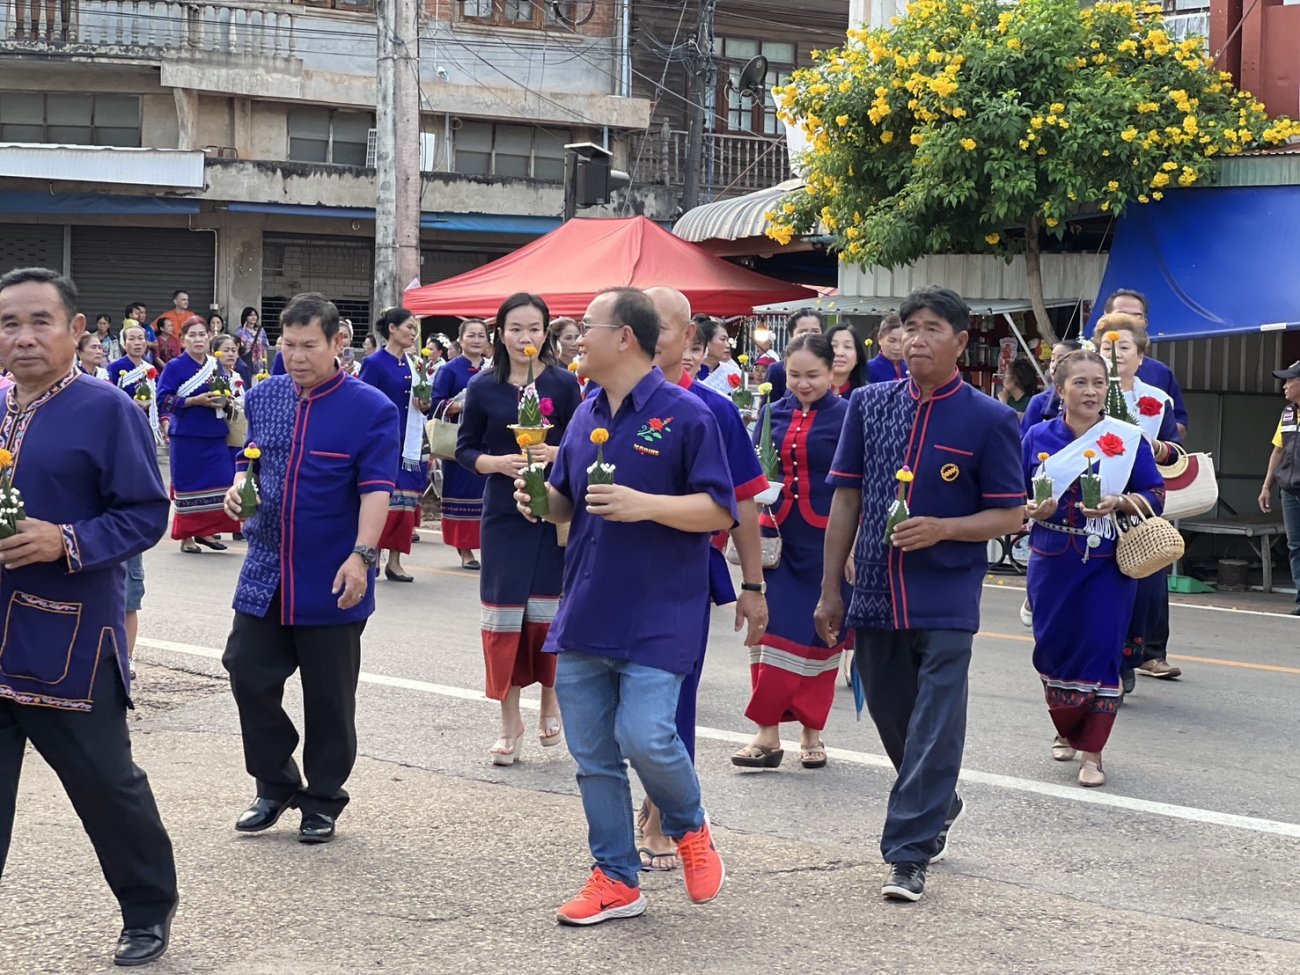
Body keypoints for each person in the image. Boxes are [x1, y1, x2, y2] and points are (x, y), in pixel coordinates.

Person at [515, 287, 733, 926]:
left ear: (625, 338)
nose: (577, 337)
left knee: (646, 737)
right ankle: (615, 878)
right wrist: (540, 501)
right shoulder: (585, 412)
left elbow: (719, 509)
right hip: (587, 605)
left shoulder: (688, 415)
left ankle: (689, 825)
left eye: (588, 326)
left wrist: (646, 506)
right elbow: (568, 501)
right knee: (593, 756)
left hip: (661, 609)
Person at [816, 285, 1025, 903]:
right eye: (910, 327)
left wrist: (944, 529)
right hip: (874, 589)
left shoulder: (991, 420)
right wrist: (830, 592)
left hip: (947, 595)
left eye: (932, 328)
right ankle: (938, 801)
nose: (917, 339)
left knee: (936, 722)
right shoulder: (868, 404)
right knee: (893, 717)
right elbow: (846, 499)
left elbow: (1010, 514)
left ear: (960, 341)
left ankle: (908, 853)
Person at [0, 267, 178, 967]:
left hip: (67, 638)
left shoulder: (108, 410)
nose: (23, 337)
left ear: (76, 329)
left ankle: (148, 908)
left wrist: (65, 540)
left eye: (39, 321)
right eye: (9, 323)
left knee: (106, 786)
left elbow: (146, 512)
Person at [221, 292, 399, 845]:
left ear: (337, 341)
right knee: (245, 670)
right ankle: (275, 784)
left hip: (332, 573)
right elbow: (250, 459)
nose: (296, 357)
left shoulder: (371, 409)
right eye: (288, 345)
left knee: (329, 698)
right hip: (266, 567)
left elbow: (376, 491)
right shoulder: (265, 395)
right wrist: (237, 488)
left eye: (308, 346)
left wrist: (362, 556)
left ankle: (322, 799)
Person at [638, 286, 768, 871]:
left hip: (684, 576)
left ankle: (664, 815)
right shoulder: (603, 398)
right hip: (612, 575)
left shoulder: (712, 409)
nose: (646, 339)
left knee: (673, 702)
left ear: (689, 337)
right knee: (613, 709)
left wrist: (754, 586)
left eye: (661, 328)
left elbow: (744, 502)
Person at [1022, 349, 1165, 787]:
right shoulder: (1036, 436)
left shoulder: (1127, 438)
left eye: (1099, 383)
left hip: (1107, 563)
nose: (1091, 391)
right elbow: (1012, 492)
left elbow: (1156, 494)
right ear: (1059, 388)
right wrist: (1032, 508)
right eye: (1080, 383)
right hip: (1051, 559)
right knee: (1053, 649)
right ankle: (1066, 727)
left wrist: (1120, 501)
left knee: (1101, 650)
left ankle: (1093, 752)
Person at [457, 293, 582, 764]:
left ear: (545, 333)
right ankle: (509, 720)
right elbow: (464, 448)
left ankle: (551, 699)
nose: (523, 337)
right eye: (515, 328)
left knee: (549, 609)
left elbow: (582, 443)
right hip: (503, 513)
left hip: (554, 511)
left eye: (533, 328)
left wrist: (555, 453)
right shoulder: (482, 387)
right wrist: (496, 463)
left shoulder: (564, 384)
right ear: (500, 333)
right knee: (503, 613)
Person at [736, 333, 849, 769]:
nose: (803, 384)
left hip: (828, 543)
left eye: (813, 375)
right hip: (777, 539)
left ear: (832, 371)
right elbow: (752, 468)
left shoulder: (847, 415)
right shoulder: (772, 412)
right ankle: (766, 733)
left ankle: (812, 730)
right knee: (771, 635)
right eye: (795, 375)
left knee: (819, 638)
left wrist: (854, 546)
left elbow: (858, 484)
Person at [1095, 315, 1183, 686]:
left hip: (1136, 507)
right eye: (1106, 348)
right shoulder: (1082, 392)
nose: (1114, 355)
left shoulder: (1157, 401)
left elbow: (1177, 454)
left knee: (1144, 586)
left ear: (1141, 356)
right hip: (1091, 507)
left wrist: (1156, 447)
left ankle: (1133, 657)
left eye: (1124, 348)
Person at [156, 315, 241, 554]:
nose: (198, 339)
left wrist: (225, 401)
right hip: (187, 435)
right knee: (189, 486)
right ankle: (187, 536)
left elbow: (225, 391)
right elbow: (163, 399)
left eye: (202, 334)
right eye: (192, 335)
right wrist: (194, 401)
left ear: (209, 337)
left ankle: (207, 530)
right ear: (183, 339)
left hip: (214, 433)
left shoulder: (215, 365)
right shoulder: (174, 367)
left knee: (220, 482)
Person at [357, 308, 429, 582]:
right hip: (383, 441)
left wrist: (424, 403)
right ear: (392, 328)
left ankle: (396, 561)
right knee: (380, 499)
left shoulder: (415, 365)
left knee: (406, 502)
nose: (413, 333)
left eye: (415, 329)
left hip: (409, 442)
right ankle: (372, 555)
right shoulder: (374, 363)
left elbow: (424, 404)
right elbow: (364, 400)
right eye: (409, 327)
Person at [430, 318, 490, 569]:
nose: (476, 340)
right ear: (461, 339)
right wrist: (463, 404)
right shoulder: (449, 370)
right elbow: (435, 404)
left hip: (490, 440)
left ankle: (489, 547)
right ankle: (465, 549)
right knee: (462, 492)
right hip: (461, 440)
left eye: (481, 335)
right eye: (471, 335)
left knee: (488, 495)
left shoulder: (494, 368)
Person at [1103, 289, 1189, 437]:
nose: (1129, 320)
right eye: (1121, 314)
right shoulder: (1082, 368)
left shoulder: (1160, 373)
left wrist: (1151, 439)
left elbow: (1180, 425)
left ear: (1145, 322)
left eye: (1136, 316)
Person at [1260, 360, 1300, 615]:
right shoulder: (1287, 413)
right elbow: (1278, 451)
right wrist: (1266, 486)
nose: (1285, 386)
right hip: (1290, 490)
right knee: (1295, 545)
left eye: (1290, 380)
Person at [766, 309, 826, 400]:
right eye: (802, 332)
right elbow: (768, 407)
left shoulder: (831, 367)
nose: (809, 336)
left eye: (815, 331)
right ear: (791, 336)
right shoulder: (777, 370)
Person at [1021, 341, 1080, 433]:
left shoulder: (1089, 399)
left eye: (1061, 359)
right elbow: (1025, 438)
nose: (1054, 365)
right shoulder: (1039, 401)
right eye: (1052, 360)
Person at [697, 315, 744, 394]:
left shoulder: (732, 371)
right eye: (723, 339)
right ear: (706, 342)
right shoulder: (691, 371)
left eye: (727, 340)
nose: (728, 345)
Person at [826, 323, 870, 394]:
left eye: (847, 346)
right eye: (833, 346)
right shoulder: (811, 392)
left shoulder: (867, 394)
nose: (839, 353)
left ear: (857, 357)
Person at [866, 314, 909, 383]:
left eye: (902, 341)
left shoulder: (911, 368)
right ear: (880, 338)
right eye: (892, 341)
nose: (897, 347)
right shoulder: (868, 368)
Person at [236, 306, 271, 370]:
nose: (254, 317)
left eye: (255, 315)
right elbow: (237, 348)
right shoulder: (240, 331)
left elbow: (264, 348)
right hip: (245, 363)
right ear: (245, 317)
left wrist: (265, 364)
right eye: (250, 315)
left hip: (259, 364)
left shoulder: (261, 330)